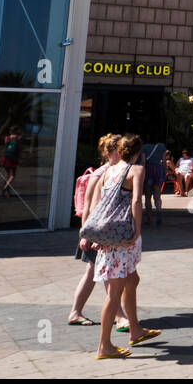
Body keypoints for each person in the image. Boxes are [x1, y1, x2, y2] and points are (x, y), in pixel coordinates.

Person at [89, 134, 159, 359]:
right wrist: (136, 230)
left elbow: (99, 203)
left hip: (110, 234)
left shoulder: (108, 171)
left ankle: (135, 329)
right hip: (123, 235)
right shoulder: (135, 170)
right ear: (138, 152)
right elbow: (137, 200)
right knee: (114, 292)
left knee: (132, 279)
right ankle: (104, 345)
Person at [71, 133, 128, 331]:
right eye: (118, 152)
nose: (122, 156)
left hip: (99, 232)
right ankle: (119, 316)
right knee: (105, 273)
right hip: (95, 233)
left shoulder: (113, 171)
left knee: (95, 273)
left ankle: (76, 312)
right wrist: (86, 235)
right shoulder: (100, 174)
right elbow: (89, 206)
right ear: (108, 153)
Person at [142, 141, 167, 228]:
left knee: (147, 196)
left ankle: (149, 219)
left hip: (148, 170)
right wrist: (165, 171)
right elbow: (164, 161)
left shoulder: (144, 147)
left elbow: (143, 161)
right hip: (158, 170)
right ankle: (159, 213)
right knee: (157, 194)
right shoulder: (161, 146)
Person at [0, 126, 24, 195]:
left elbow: (5, 147)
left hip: (5, 157)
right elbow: (20, 149)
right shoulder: (18, 138)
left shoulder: (7, 138)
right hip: (13, 158)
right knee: (12, 175)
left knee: (7, 174)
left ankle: (7, 190)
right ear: (17, 131)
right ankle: (5, 187)